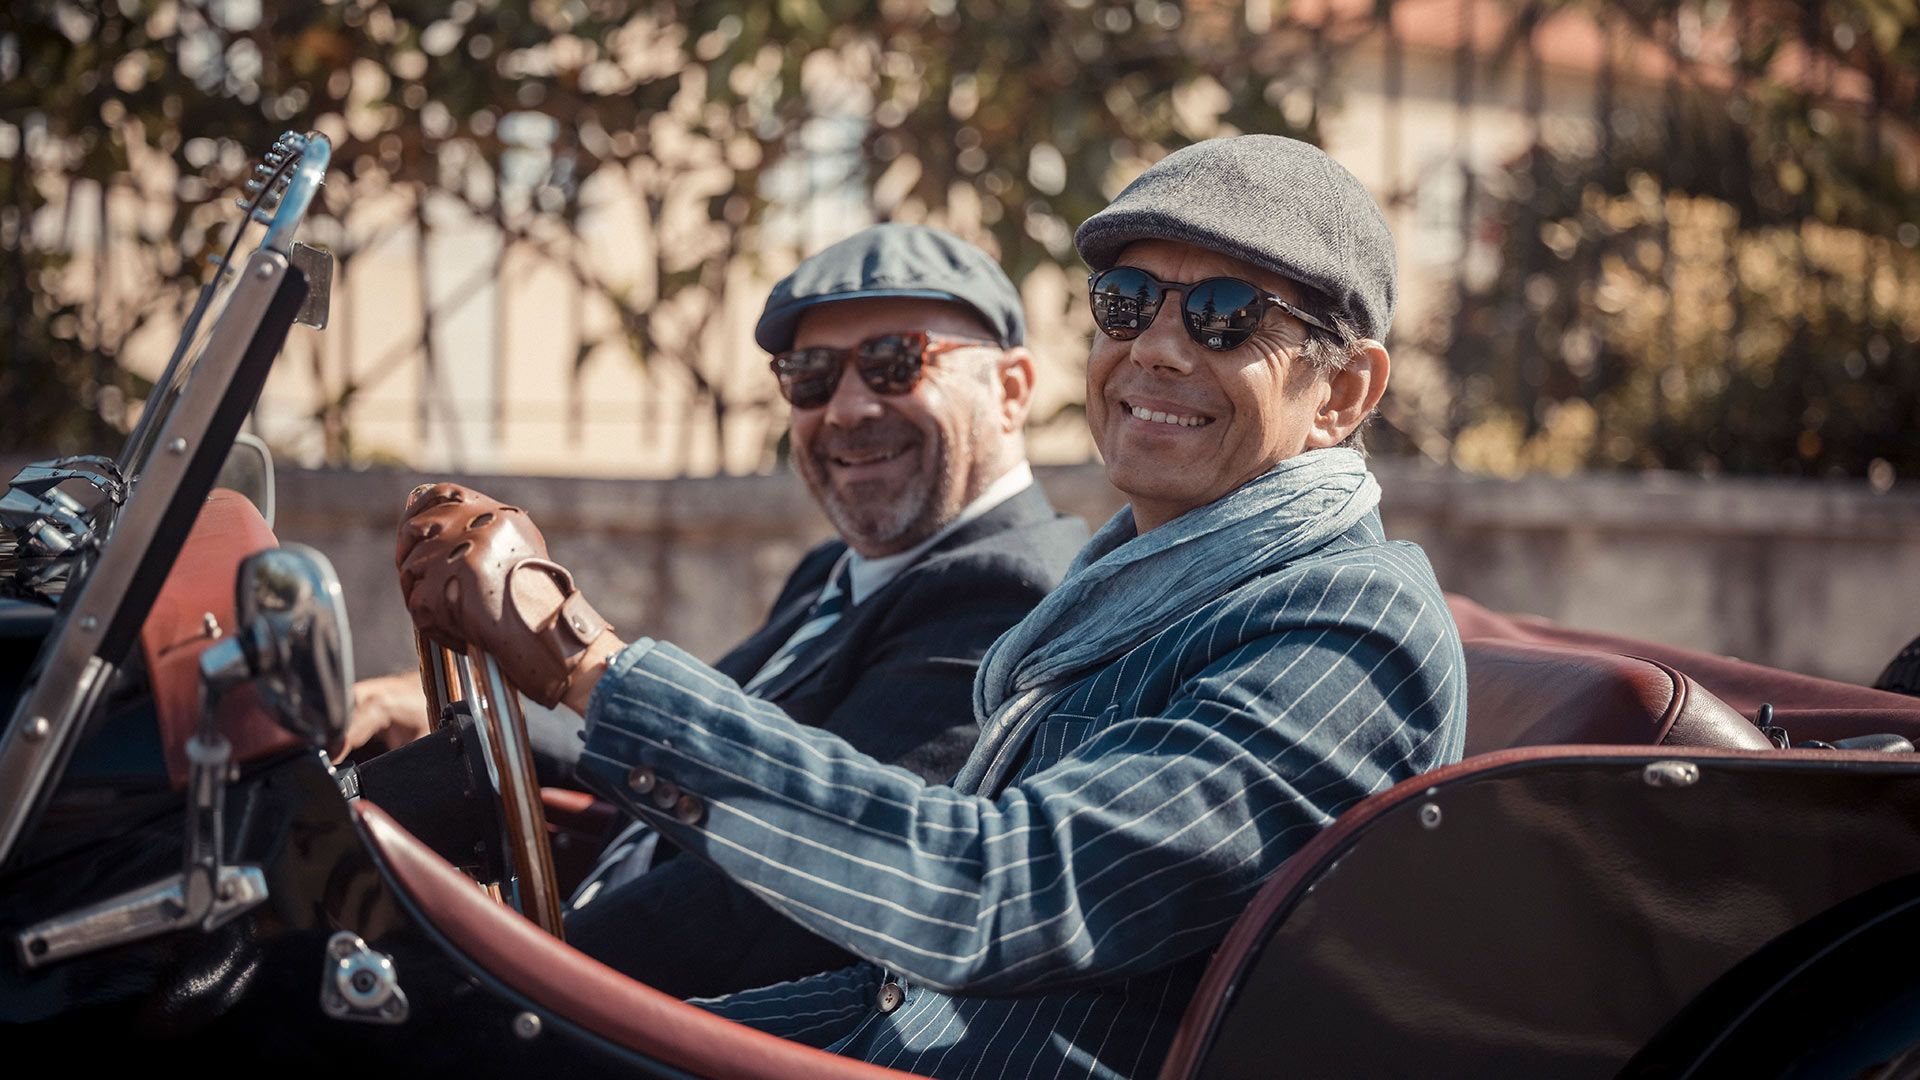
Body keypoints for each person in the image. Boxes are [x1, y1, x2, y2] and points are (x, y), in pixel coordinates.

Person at [396, 135, 1468, 1079]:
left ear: (1342, 394)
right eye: (1127, 304)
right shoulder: (1130, 592)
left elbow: (992, 893)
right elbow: (901, 988)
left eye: (1228, 317)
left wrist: (583, 657)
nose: (1155, 348)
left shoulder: (1346, 624)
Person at [376, 223, 1090, 997]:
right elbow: (698, 762)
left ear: (1012, 390)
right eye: (810, 376)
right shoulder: (842, 571)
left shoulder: (1007, 592)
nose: (846, 409)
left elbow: (776, 897)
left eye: (894, 363)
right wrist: (433, 716)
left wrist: (474, 986)